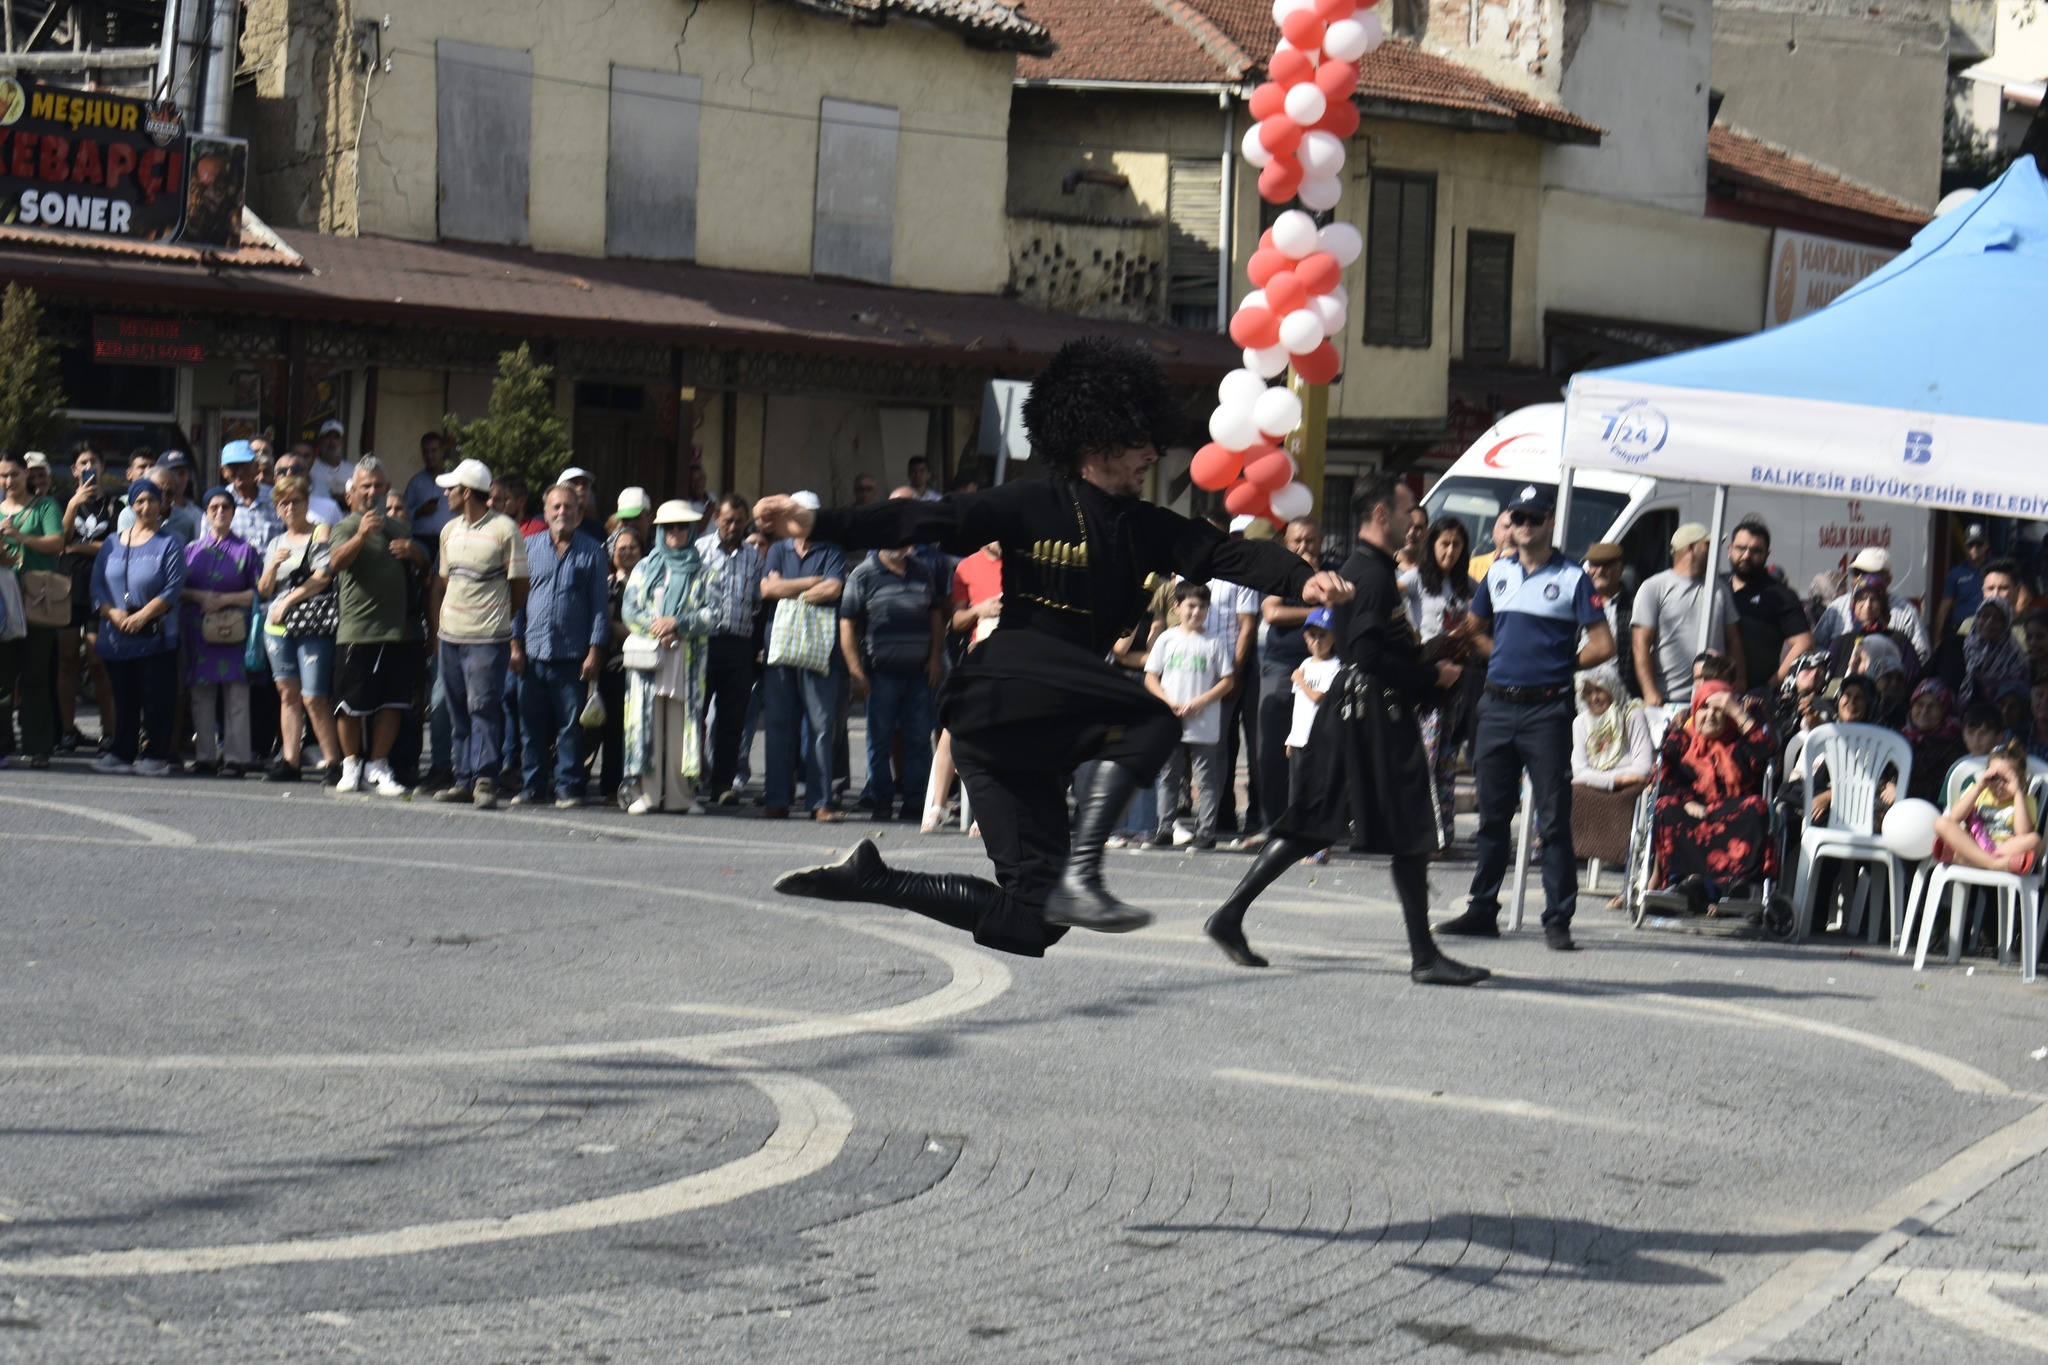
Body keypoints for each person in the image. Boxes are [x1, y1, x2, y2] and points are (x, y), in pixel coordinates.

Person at [767, 338, 1350, 956]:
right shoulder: (1030, 502)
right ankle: (1082, 876)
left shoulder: (1148, 527)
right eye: (1139, 441)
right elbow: (920, 520)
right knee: (1153, 720)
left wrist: (1301, 579)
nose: (1152, 454)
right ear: (1095, 443)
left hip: (1038, 729)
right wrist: (819, 522)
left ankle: (875, 879)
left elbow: (1230, 555)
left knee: (1034, 921)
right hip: (1001, 689)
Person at [1202, 474, 1486, 983]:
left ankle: (1229, 916)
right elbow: (1368, 655)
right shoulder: (1372, 575)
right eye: (1407, 512)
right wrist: (1431, 676)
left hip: (1356, 710)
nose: (1414, 524)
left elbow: (1378, 647)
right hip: (1372, 714)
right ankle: (1425, 958)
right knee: (1409, 830)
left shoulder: (1369, 569)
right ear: (1381, 515)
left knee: (1316, 823)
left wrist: (1433, 651)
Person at [1439, 484, 1617, 952]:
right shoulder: (1498, 572)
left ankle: (1557, 918)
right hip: (1497, 704)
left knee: (1553, 820)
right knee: (1493, 817)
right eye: (1517, 518)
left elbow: (1603, 644)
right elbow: (1473, 627)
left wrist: (1560, 665)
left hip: (1546, 709)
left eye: (1533, 519)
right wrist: (1498, 655)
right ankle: (1482, 909)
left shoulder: (1573, 576)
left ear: (1549, 523)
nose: (1523, 526)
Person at [427, 458, 528, 809]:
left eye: (451, 488)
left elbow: (520, 585)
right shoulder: (448, 530)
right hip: (451, 635)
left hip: (487, 638)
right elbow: (446, 580)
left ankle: (485, 780)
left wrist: (499, 617)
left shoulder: (505, 529)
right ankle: (463, 778)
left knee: (483, 708)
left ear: (467, 492)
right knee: (457, 710)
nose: (446, 494)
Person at [328, 458, 424, 797]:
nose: (372, 492)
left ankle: (379, 765)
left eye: (378, 486)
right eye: (365, 486)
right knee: (350, 705)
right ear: (353, 491)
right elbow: (335, 563)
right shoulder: (345, 526)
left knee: (393, 703)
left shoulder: (399, 527)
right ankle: (351, 765)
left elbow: (425, 569)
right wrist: (362, 535)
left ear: (387, 488)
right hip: (358, 631)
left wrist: (414, 553)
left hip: (397, 632)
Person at [515, 483, 610, 808]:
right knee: (531, 726)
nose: (562, 512)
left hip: (573, 656)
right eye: (555, 507)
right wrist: (514, 645)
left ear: (578, 512)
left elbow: (600, 608)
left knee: (570, 728)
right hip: (532, 652)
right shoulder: (529, 547)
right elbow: (518, 601)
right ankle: (533, 786)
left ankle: (568, 787)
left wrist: (595, 651)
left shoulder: (593, 551)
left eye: (568, 507)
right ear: (545, 512)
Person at [621, 500, 716, 815]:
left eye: (682, 527)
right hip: (649, 659)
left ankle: (680, 797)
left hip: (685, 660)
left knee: (680, 730)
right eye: (668, 527)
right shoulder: (644, 567)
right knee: (646, 727)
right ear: (660, 531)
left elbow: (713, 614)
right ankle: (647, 795)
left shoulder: (704, 571)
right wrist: (656, 629)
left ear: (691, 531)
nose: (675, 532)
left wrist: (678, 623)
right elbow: (629, 610)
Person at [1649, 680, 1776, 915]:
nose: (1710, 715)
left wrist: (1738, 713)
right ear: (1695, 712)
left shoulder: (1740, 741)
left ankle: (1732, 887)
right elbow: (1660, 777)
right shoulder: (1681, 739)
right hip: (1689, 808)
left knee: (1757, 807)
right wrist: (1687, 801)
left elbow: (1767, 753)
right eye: (1704, 708)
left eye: (1719, 709)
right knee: (1665, 806)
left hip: (1729, 809)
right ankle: (1683, 885)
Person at [840, 533, 942, 821]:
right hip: (880, 673)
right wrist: (856, 672)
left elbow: (935, 617)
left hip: (919, 674)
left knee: (918, 740)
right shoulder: (863, 574)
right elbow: (847, 625)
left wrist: (935, 658)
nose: (904, 544)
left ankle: (915, 802)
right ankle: (881, 798)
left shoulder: (922, 570)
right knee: (879, 741)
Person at [759, 493, 847, 821]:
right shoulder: (777, 549)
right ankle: (777, 798)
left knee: (821, 725)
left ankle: (820, 801)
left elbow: (833, 589)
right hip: (781, 647)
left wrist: (787, 587)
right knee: (779, 723)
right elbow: (767, 590)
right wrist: (811, 583)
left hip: (820, 648)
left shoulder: (832, 548)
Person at [90, 479, 185, 775]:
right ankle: (122, 751)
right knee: (124, 697)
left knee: (156, 698)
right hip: (117, 633)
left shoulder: (169, 543)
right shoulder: (111, 542)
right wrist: (113, 614)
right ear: (131, 506)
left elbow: (173, 588)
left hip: (156, 635)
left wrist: (142, 616)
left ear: (161, 503)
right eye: (139, 501)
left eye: (151, 500)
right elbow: (97, 585)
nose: (146, 506)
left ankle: (156, 755)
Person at [258, 475, 341, 783]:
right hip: (277, 627)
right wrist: (272, 565)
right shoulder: (276, 543)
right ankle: (290, 760)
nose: (290, 508)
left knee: (314, 696)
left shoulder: (320, 532)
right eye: (283, 503)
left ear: (307, 502)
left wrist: (288, 601)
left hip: (310, 624)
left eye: (296, 501)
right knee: (288, 695)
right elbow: (264, 590)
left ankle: (334, 762)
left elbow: (323, 576)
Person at [1143, 582, 1235, 850]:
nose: (1196, 612)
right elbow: (1151, 677)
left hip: (1204, 722)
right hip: (1171, 720)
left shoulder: (1214, 642)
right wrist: (1168, 702)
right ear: (1176, 607)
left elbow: (1227, 681)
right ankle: (1165, 828)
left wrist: (1201, 701)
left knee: (1206, 779)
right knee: (1168, 776)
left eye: (1202, 606)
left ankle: (1206, 832)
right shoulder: (1166, 638)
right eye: (1191, 606)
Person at [1404, 515, 1477, 847]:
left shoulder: (1468, 585)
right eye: (1444, 543)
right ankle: (1422, 835)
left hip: (1457, 685)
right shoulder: (1417, 579)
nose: (1450, 550)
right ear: (1432, 544)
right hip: (1427, 683)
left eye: (1456, 544)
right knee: (1426, 759)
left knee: (1447, 762)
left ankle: (1444, 835)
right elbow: (1386, 595)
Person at [179, 487, 262, 777]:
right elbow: (178, 591)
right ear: (206, 513)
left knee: (236, 696)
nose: (220, 512)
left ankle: (236, 759)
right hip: (198, 629)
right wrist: (200, 596)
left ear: (233, 512)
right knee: (201, 696)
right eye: (214, 507)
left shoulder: (246, 550)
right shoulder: (191, 551)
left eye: (225, 507)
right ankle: (205, 756)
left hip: (234, 630)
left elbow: (258, 592)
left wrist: (225, 599)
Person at [1251, 516, 1323, 840]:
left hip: (1323, 668)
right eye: (1297, 541)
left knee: (1316, 748)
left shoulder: (1331, 573)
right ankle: (1273, 824)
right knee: (1272, 747)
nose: (1304, 547)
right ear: (1286, 542)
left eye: (1310, 540)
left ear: (1321, 541)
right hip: (1281, 665)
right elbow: (1272, 613)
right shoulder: (1278, 571)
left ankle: (1311, 823)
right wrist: (1317, 612)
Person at [927, 539, 1005, 830]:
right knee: (951, 730)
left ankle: (987, 812)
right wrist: (979, 610)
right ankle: (938, 807)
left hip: (1014, 657)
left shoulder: (1024, 562)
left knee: (998, 733)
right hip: (978, 657)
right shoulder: (967, 567)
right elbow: (957, 621)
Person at [696, 493, 764, 806]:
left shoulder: (754, 556)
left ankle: (722, 784)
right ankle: (689, 781)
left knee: (731, 719)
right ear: (716, 520)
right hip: (704, 643)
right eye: (727, 521)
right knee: (695, 714)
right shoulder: (699, 550)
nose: (733, 527)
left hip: (738, 646)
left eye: (738, 521)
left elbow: (757, 601)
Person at [1632, 523, 1745, 706]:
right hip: (1671, 699)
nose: (1715, 551)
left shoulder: (1720, 589)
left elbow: (1734, 639)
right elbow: (1640, 643)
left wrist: (1739, 681)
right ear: (1691, 548)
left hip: (1714, 696)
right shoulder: (1654, 587)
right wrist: (1649, 690)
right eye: (1708, 545)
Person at [0, 451, 65, 768]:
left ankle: (39, 746)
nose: (8, 481)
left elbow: (56, 543)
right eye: (2, 476)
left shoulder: (45, 506)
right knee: (2, 677)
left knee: (35, 676)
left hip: (39, 601)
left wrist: (20, 537)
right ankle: (3, 744)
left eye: (14, 474)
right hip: (4, 602)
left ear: (26, 473)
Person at [56, 445, 121, 753]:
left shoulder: (115, 504)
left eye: (93, 461)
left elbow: (113, 546)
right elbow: (59, 540)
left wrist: (76, 547)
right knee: (68, 659)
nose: (88, 466)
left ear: (103, 466)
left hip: (102, 589)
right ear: (74, 469)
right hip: (68, 590)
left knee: (98, 662)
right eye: (82, 462)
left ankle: (109, 733)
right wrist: (73, 505)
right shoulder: (62, 501)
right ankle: (68, 731)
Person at [1725, 517, 1814, 692]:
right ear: (1730, 549)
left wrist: (1771, 686)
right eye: (1741, 548)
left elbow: (1805, 643)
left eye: (1755, 551)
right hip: (1709, 692)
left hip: (1754, 696)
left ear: (1767, 555)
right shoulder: (1716, 587)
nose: (1746, 556)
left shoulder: (1780, 595)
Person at [1931, 740, 2039, 875]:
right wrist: (1979, 787)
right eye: (1994, 778)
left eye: (2006, 779)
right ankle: (1994, 864)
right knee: (1941, 822)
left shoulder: (2025, 800)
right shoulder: (1978, 792)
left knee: (2034, 840)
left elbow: (2023, 833)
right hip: (1975, 846)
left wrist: (2017, 792)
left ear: (2021, 780)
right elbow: (1955, 817)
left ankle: (1968, 860)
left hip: (2003, 849)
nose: (1999, 784)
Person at [594, 525, 643, 804]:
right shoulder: (610, 584)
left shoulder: (652, 581)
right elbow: (610, 625)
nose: (627, 553)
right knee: (614, 730)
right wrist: (643, 633)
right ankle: (612, 787)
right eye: (621, 548)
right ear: (612, 554)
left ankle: (640, 785)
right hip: (616, 667)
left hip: (646, 667)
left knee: (640, 729)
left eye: (633, 547)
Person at [1813, 548, 1931, 660]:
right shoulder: (1837, 607)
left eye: (1866, 573)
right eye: (1856, 572)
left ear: (1888, 580)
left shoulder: (1905, 613)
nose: (1860, 578)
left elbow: (1921, 654)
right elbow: (1816, 647)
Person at [1571, 662, 1653, 792]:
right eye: (1588, 692)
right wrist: (1618, 780)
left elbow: (1643, 767)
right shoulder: (1580, 723)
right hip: (1598, 788)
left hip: (1629, 788)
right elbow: (1579, 772)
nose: (1594, 698)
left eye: (1599, 690)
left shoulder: (1632, 715)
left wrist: (1597, 779)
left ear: (1612, 689)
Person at [1827, 581, 1922, 684]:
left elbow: (1914, 681)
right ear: (1853, 605)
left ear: (1883, 605)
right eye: (1861, 599)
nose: (1867, 605)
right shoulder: (1841, 643)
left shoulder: (1899, 641)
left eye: (1874, 599)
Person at [1956, 596, 2028, 712]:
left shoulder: (2014, 657)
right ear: (1976, 618)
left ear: (2006, 625)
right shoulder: (1958, 648)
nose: (1990, 622)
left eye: (1998, 619)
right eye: (1985, 616)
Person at [1903, 679, 1968, 805]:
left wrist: (1902, 788)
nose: (1924, 711)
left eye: (1932, 706)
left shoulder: (1954, 745)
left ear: (1944, 709)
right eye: (1920, 704)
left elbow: (1941, 788)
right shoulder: (1900, 737)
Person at [1934, 523, 1992, 643]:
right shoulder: (1955, 574)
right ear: (1965, 547)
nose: (1975, 548)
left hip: (1989, 630)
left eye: (1979, 544)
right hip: (1960, 631)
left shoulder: (1996, 569)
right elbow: (1944, 609)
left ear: (1986, 545)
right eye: (1970, 544)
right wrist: (1937, 639)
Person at [273, 449, 346, 526]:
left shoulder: (329, 508)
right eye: (283, 471)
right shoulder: (265, 508)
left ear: (307, 477)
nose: (289, 474)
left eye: (296, 470)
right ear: (275, 480)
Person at [404, 432, 453, 542]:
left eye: (433, 451)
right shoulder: (415, 482)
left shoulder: (453, 481)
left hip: (448, 540)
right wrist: (419, 511)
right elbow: (402, 513)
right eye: (425, 452)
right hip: (421, 540)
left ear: (442, 451)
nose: (429, 456)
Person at [311, 418, 351, 507]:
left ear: (342, 441)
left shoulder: (352, 470)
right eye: (327, 436)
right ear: (320, 440)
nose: (332, 441)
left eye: (336, 437)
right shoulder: (311, 468)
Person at [1467, 508, 1516, 581]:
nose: (1510, 534)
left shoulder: (1529, 568)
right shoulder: (1474, 565)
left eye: (1515, 528)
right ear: (1493, 532)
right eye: (1506, 527)